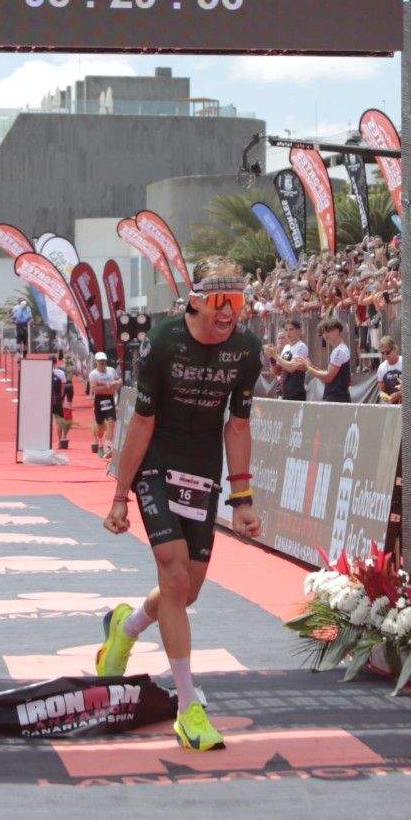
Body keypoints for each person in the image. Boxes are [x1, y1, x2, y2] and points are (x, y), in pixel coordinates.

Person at [93, 258, 264, 752]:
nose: (230, 312)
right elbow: (141, 424)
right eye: (220, 302)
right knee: (171, 575)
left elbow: (238, 425)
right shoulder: (163, 342)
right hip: (158, 463)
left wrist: (244, 499)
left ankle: (124, 628)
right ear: (196, 299)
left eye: (237, 302)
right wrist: (119, 497)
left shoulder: (248, 350)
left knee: (184, 593)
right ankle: (188, 708)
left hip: (204, 468)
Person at [87, 352, 122, 456]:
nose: (102, 362)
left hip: (110, 399)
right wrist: (107, 386)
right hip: (99, 400)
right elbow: (94, 390)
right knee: (100, 426)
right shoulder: (94, 374)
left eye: (103, 361)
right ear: (96, 362)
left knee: (111, 422)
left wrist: (114, 384)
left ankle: (108, 448)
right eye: (100, 361)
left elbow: (119, 381)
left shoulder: (111, 371)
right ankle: (98, 441)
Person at [319, 320, 354, 403]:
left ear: (337, 331)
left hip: (337, 398)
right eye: (323, 332)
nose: (325, 335)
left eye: (328, 331)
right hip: (336, 398)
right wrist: (311, 367)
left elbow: (328, 377)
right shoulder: (338, 350)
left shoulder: (339, 351)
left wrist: (309, 368)